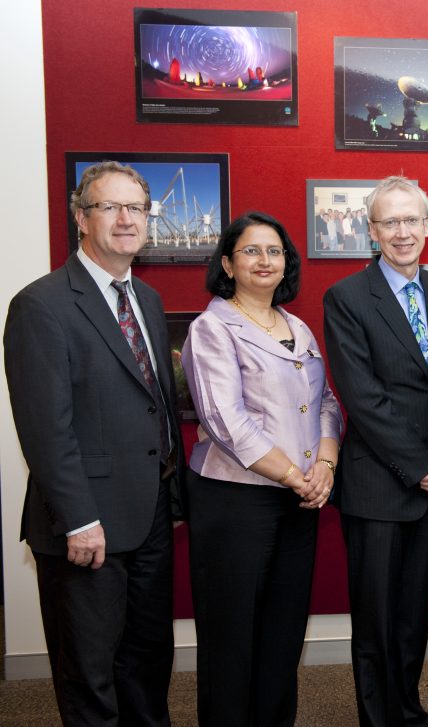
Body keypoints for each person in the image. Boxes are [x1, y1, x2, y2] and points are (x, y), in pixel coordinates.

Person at [4, 160, 182, 725]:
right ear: (82, 217)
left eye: (137, 208)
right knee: (90, 672)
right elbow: (44, 428)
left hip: (151, 513)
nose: (127, 219)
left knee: (147, 660)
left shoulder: (147, 300)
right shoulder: (42, 305)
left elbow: (153, 402)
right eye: (110, 207)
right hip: (88, 524)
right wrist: (78, 517)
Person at [181, 211, 343, 726]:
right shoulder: (212, 328)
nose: (264, 261)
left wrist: (327, 465)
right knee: (232, 635)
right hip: (235, 499)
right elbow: (224, 419)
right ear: (227, 263)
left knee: (282, 630)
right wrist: (297, 476)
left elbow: (327, 404)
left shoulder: (296, 327)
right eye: (251, 251)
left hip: (298, 500)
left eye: (274, 251)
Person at [323, 176, 428, 726]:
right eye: (389, 222)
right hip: (380, 483)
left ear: (427, 227)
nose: (402, 232)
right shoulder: (347, 298)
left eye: (412, 220)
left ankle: (409, 710)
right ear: (372, 230)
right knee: (377, 621)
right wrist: (418, 467)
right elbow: (363, 397)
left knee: (412, 617)